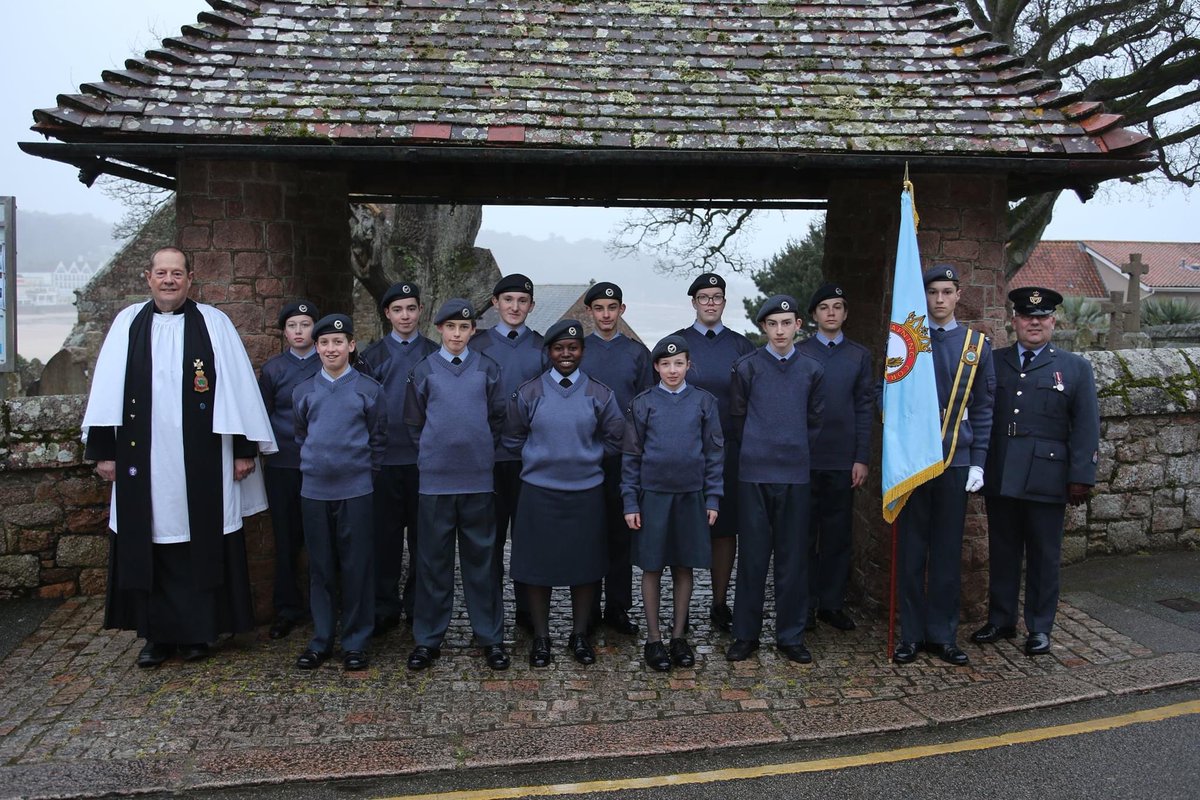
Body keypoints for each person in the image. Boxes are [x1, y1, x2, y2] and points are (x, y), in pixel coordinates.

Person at [82, 245, 277, 668]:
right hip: (141, 460)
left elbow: (237, 389)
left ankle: (198, 635)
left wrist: (244, 450)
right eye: (161, 273)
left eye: (177, 273)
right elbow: (107, 388)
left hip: (204, 456)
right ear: (147, 278)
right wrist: (102, 450)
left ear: (190, 278)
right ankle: (156, 636)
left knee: (200, 540)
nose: (169, 280)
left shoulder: (213, 323)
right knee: (150, 538)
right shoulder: (128, 323)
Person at [973, 287, 1100, 656]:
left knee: (1044, 555)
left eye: (1042, 317)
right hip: (1002, 470)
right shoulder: (993, 361)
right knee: (1003, 550)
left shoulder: (1075, 368)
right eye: (1027, 317)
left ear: (1053, 322)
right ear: (1014, 321)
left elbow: (1086, 426)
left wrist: (1082, 475)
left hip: (1048, 476)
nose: (1034, 322)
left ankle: (1040, 627)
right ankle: (1001, 619)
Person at [502, 320, 626, 667]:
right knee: (536, 566)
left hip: (585, 492)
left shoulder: (599, 393)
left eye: (573, 348)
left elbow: (617, 437)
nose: (566, 354)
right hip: (539, 491)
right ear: (550, 352)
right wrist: (541, 455)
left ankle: (579, 635)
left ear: (582, 351)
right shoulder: (530, 392)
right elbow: (512, 437)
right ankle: (541, 638)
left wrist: (587, 454)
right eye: (559, 348)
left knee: (585, 567)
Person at [894, 265, 995, 667]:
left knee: (947, 554)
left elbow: (985, 410)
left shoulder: (976, 346)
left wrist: (979, 463)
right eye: (932, 292)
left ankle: (942, 635)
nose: (939, 299)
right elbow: (890, 400)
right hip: (915, 463)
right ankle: (911, 635)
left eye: (946, 292)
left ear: (958, 295)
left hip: (956, 461)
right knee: (912, 553)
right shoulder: (907, 344)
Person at [404, 299, 510, 671]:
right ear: (440, 330)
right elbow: (415, 423)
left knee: (481, 563)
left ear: (472, 332)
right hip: (435, 483)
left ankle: (491, 637)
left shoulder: (487, 369)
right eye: (450, 328)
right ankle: (428, 639)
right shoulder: (424, 371)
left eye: (463, 328)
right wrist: (437, 454)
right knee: (433, 564)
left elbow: (498, 418)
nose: (456, 334)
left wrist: (477, 450)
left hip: (478, 480)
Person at [726, 294, 825, 663]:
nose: (780, 330)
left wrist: (793, 448)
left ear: (799, 325)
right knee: (752, 556)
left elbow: (815, 421)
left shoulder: (812, 369)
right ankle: (745, 634)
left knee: (793, 557)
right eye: (772, 324)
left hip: (795, 474)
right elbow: (737, 418)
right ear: (763, 328)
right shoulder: (746, 367)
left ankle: (791, 635)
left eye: (787, 323)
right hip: (754, 474)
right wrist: (759, 447)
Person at [622, 334, 723, 671]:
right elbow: (631, 458)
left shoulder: (704, 402)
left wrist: (712, 497)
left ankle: (679, 636)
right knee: (651, 567)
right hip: (652, 496)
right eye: (665, 364)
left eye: (678, 363)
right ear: (656, 367)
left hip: (691, 496)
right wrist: (630, 503)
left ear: (688, 365)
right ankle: (654, 639)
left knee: (684, 566)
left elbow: (714, 453)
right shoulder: (643, 403)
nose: (672, 369)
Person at [292, 313, 387, 672]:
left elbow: (379, 439)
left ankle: (356, 642)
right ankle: (321, 640)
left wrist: (364, 474)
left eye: (338, 342)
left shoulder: (368, 389)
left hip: (356, 491)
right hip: (315, 492)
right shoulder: (303, 391)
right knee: (321, 568)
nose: (331, 348)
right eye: (324, 343)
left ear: (350, 345)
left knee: (357, 566)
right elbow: (302, 436)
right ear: (316, 348)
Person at [672, 273, 756, 633]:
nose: (710, 302)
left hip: (729, 451)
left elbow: (754, 399)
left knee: (724, 530)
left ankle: (719, 603)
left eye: (717, 297)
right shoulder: (677, 345)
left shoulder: (742, 346)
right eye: (703, 297)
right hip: (684, 452)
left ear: (724, 303)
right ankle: (682, 609)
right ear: (693, 302)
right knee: (686, 528)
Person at [359, 282, 438, 634]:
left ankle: (419, 605)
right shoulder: (371, 356)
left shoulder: (435, 354)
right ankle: (383, 606)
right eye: (397, 309)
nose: (405, 315)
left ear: (420, 310)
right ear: (387, 314)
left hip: (425, 462)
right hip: (384, 463)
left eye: (411, 308)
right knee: (384, 539)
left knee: (425, 539)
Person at [796, 284, 873, 632]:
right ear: (813, 315)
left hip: (843, 460)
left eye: (838, 306)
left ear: (845, 313)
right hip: (805, 460)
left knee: (838, 535)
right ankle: (806, 604)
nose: (831, 312)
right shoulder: (799, 353)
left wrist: (861, 457)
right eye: (824, 307)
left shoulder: (859, 356)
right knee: (803, 535)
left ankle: (832, 603)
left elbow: (864, 407)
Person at [580, 281, 655, 636]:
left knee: (622, 534)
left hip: (625, 456)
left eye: (612, 308)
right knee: (590, 532)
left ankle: (618, 607)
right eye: (599, 309)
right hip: (586, 454)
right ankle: (589, 606)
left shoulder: (638, 354)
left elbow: (646, 405)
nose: (606, 315)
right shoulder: (580, 350)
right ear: (590, 312)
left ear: (622, 311)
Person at [472, 273, 544, 630]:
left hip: (530, 460)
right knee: (490, 541)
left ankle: (528, 611)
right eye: (508, 300)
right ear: (496, 303)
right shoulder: (478, 344)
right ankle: (490, 613)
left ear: (531, 306)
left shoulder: (543, 347)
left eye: (522, 301)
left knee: (529, 539)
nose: (515, 307)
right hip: (487, 459)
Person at [257, 299, 322, 640]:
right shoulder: (273, 370)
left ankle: (324, 606)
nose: (299, 331)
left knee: (322, 539)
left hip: (320, 467)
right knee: (286, 540)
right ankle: (287, 608)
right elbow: (262, 415)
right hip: (283, 465)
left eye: (305, 325)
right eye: (292, 326)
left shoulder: (327, 363)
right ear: (284, 331)